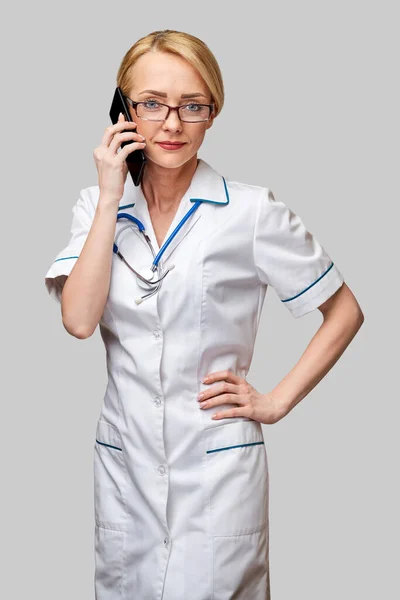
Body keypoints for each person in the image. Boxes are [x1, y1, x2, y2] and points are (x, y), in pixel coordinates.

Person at [44, 29, 364, 600]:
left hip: (218, 465)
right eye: (151, 104)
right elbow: (79, 320)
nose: (172, 124)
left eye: (193, 105)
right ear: (122, 108)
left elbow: (343, 311)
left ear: (213, 112)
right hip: (128, 464)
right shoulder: (98, 207)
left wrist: (277, 400)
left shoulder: (250, 211)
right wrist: (112, 193)